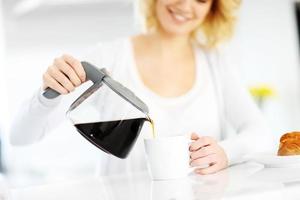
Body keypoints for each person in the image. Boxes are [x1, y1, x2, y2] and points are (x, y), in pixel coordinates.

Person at [10, 0, 273, 175]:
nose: (185, 5)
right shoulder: (108, 57)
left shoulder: (215, 62)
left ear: (214, 9)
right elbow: (20, 137)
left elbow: (260, 132)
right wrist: (46, 96)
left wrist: (226, 152)